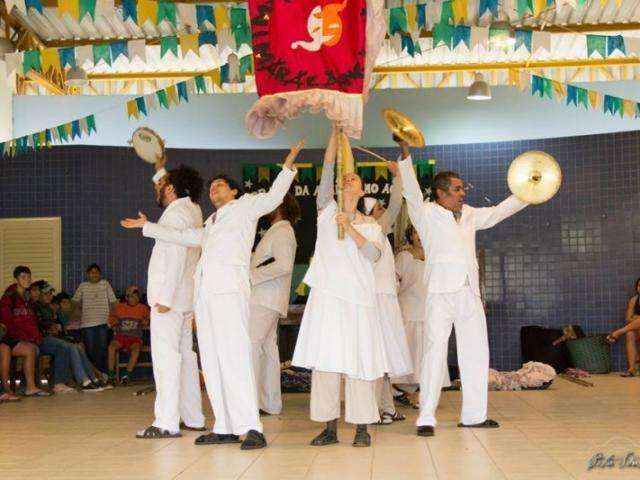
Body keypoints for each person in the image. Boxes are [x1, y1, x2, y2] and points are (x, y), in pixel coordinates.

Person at [121, 141, 303, 450]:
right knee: (213, 359)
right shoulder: (211, 220)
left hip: (229, 291)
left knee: (234, 356)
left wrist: (288, 166)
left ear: (234, 192)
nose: (215, 190)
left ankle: (251, 427)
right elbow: (188, 237)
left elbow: (273, 196)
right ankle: (225, 425)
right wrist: (147, 227)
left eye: (221, 186)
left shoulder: (245, 208)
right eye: (213, 187)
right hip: (205, 297)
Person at [397, 140, 528, 437]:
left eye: (462, 188)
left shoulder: (469, 214)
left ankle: (474, 415)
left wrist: (527, 192)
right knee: (434, 354)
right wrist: (406, 154)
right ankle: (426, 417)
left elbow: (498, 212)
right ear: (441, 193)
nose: (462, 193)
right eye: (456, 189)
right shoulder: (426, 213)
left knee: (476, 353)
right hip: (440, 294)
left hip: (469, 293)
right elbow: (411, 191)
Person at [292, 126, 387, 448]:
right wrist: (334, 132)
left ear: (363, 191)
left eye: (355, 180)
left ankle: (362, 428)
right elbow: (329, 165)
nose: (348, 180)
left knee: (360, 363)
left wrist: (353, 228)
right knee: (326, 362)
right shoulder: (326, 210)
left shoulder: (372, 226)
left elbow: (373, 255)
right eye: (345, 179)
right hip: (328, 299)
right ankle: (329, 428)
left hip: (358, 300)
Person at [363, 163, 413, 425]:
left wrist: (398, 176)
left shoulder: (374, 232)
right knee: (376, 358)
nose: (384, 212)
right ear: (370, 214)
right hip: (376, 303)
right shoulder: (372, 229)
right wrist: (397, 177)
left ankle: (385, 408)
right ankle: (376, 409)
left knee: (381, 358)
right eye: (378, 209)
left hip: (382, 301)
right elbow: (395, 205)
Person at [249, 192, 300, 416]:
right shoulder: (279, 231)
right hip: (269, 298)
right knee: (268, 351)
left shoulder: (282, 231)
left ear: (279, 207)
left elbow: (284, 265)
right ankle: (269, 403)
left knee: (252, 347)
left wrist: (252, 275)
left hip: (264, 298)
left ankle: (249, 402)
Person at [394, 225, 451, 405]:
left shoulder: (435, 257)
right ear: (410, 235)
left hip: (431, 313)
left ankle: (424, 394)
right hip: (408, 313)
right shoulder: (404, 257)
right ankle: (401, 392)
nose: (419, 236)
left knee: (429, 355)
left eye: (422, 232)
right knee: (410, 355)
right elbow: (394, 282)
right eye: (415, 232)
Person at [0, 266, 70, 395]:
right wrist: (25, 336)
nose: (27, 280)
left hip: (29, 338)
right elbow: (7, 321)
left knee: (33, 349)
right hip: (12, 338)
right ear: (16, 279)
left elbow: (33, 322)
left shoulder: (28, 299)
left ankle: (30, 387)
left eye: (28, 277)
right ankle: (7, 389)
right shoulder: (9, 297)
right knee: (29, 349)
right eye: (23, 277)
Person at [31, 280, 104, 392]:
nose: (50, 296)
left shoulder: (48, 309)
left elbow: (57, 326)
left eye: (50, 293)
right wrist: (51, 327)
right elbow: (38, 325)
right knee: (69, 346)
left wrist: (55, 327)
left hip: (53, 338)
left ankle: (92, 378)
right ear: (38, 294)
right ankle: (82, 380)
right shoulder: (35, 307)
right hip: (41, 339)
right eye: (46, 293)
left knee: (77, 346)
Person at [72, 264, 118, 372]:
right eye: (92, 272)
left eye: (96, 272)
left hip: (103, 323)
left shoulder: (105, 284)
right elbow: (74, 301)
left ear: (100, 274)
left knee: (102, 350)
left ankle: (103, 374)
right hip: (87, 325)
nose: (94, 274)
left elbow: (114, 302)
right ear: (88, 274)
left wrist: (115, 316)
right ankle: (93, 375)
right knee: (90, 351)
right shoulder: (83, 285)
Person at [107, 286, 150, 386]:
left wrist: (146, 321)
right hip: (120, 337)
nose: (135, 299)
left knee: (136, 349)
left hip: (135, 338)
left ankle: (126, 376)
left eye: (136, 296)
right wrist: (115, 321)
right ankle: (110, 376)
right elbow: (110, 319)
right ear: (126, 297)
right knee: (111, 347)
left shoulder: (143, 308)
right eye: (132, 296)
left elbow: (151, 318)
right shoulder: (119, 307)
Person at [605, 278, 640, 376]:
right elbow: (628, 319)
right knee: (629, 334)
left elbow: (631, 319)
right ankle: (632, 369)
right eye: (639, 286)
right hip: (637, 330)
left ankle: (617, 332)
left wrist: (636, 317)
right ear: (637, 288)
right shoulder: (634, 300)